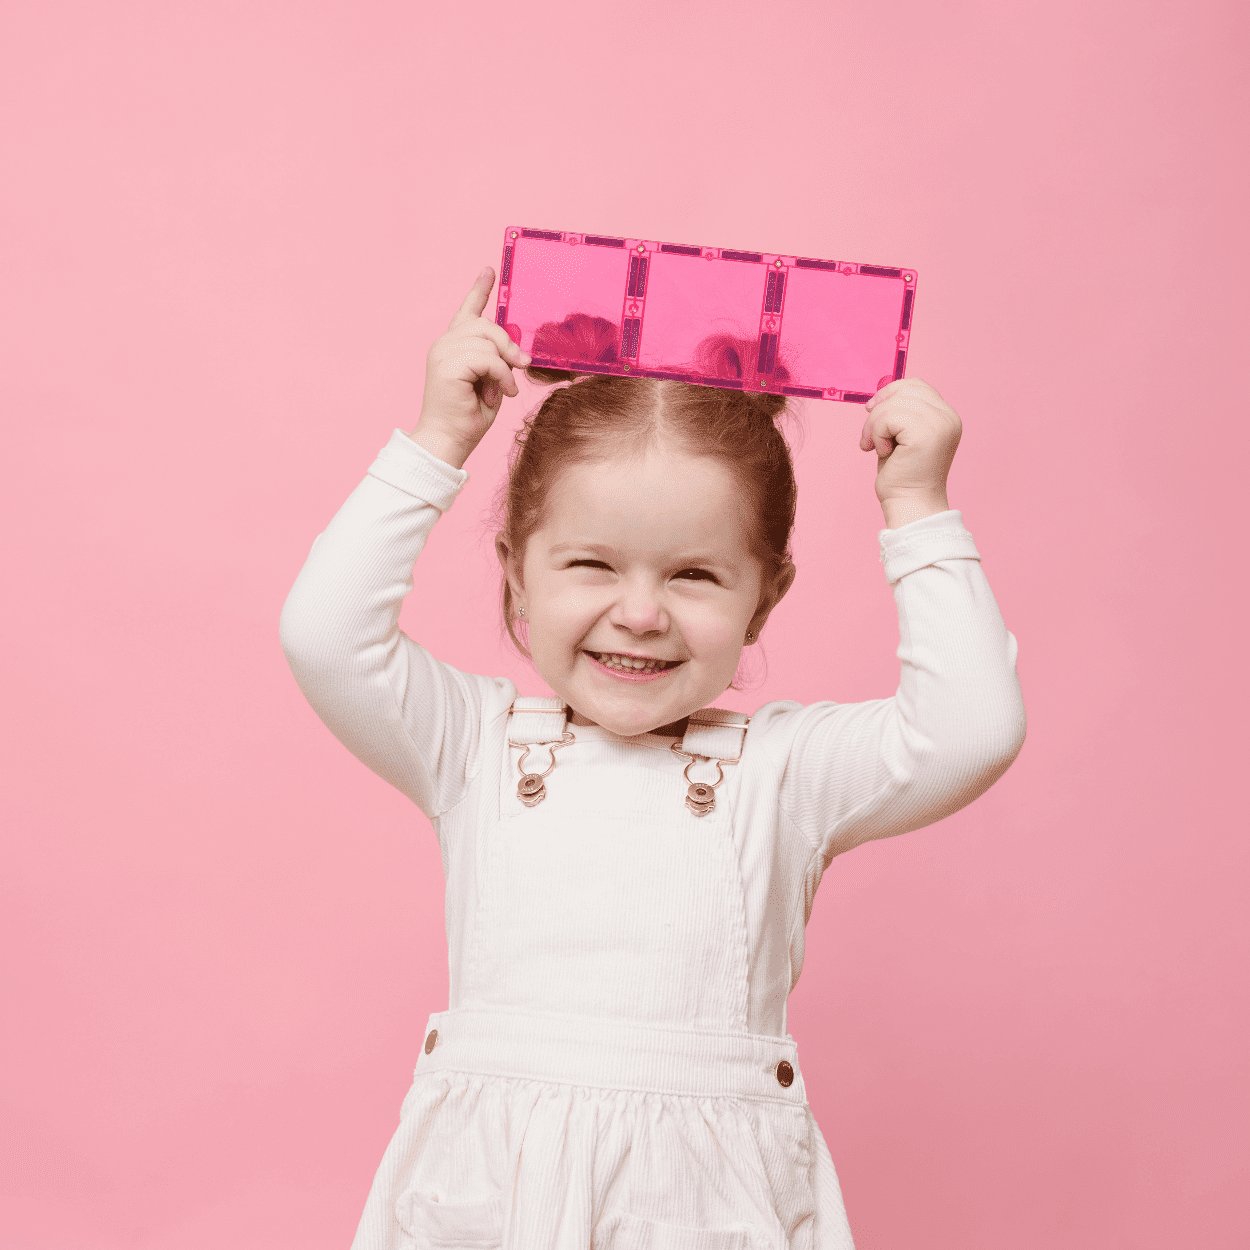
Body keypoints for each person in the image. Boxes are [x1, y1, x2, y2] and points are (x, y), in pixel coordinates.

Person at [280, 265, 1027, 1250]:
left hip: (709, 1204)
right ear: (515, 567)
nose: (640, 611)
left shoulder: (782, 773)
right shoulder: (475, 746)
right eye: (590, 562)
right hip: (489, 1197)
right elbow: (325, 635)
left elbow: (970, 724)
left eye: (694, 574)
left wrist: (918, 507)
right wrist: (434, 445)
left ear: (763, 595)